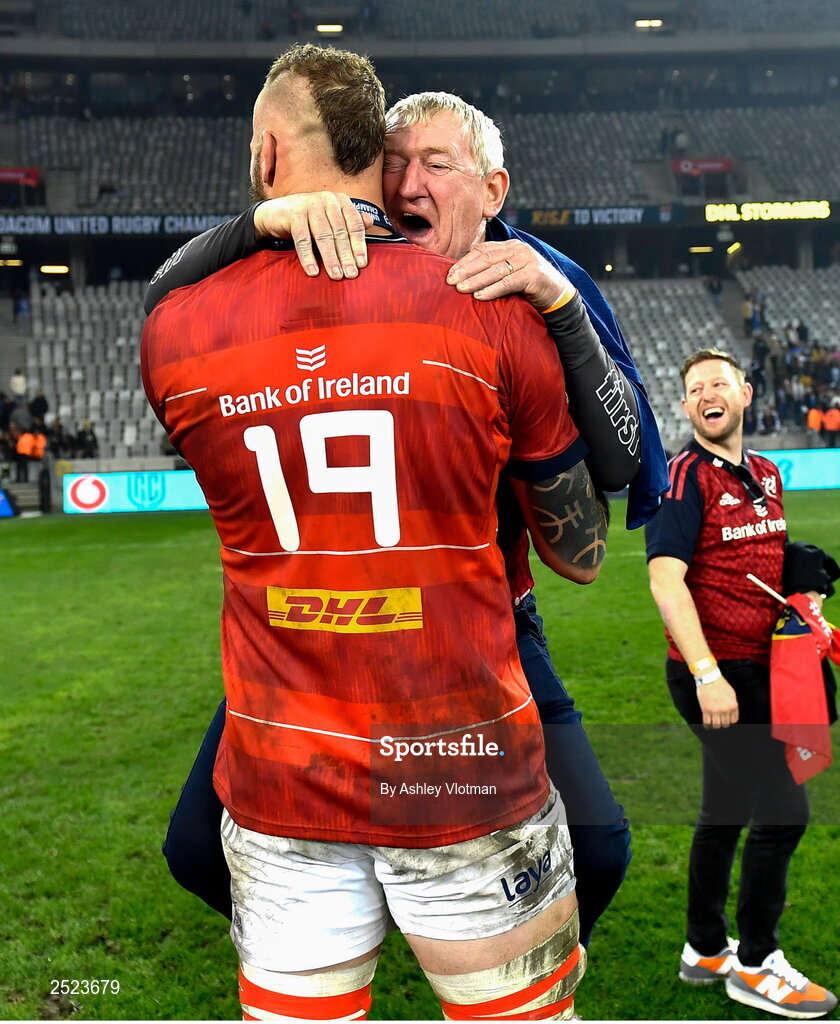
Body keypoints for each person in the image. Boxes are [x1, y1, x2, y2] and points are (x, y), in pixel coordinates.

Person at [142, 44, 607, 1020]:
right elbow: (582, 552)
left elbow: (165, 310)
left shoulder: (178, 329)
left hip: (283, 775)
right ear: (379, 162)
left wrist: (249, 235)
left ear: (270, 155)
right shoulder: (494, 306)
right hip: (463, 764)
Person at [645, 347, 837, 1019]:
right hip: (717, 674)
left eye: (718, 383)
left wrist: (798, 571)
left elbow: (751, 553)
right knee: (783, 814)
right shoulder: (682, 477)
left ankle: (704, 948)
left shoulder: (765, 472)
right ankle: (755, 964)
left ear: (747, 393)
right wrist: (707, 675)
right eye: (695, 388)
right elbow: (666, 578)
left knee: (723, 813)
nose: (707, 393)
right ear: (686, 406)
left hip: (766, 668)